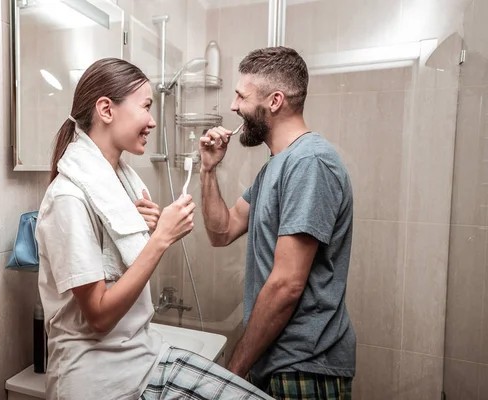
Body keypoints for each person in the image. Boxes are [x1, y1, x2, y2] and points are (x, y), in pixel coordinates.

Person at [35, 57, 273, 400]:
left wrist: (145, 230)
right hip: (98, 378)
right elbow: (99, 317)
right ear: (106, 109)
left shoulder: (120, 185)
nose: (151, 121)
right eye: (146, 107)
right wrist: (160, 239)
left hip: (142, 359)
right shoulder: (68, 198)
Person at [199, 47, 356, 400]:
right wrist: (208, 169)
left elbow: (286, 285)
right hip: (277, 360)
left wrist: (233, 371)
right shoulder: (277, 165)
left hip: (305, 365)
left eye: (241, 95)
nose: (233, 106)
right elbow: (221, 231)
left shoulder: (310, 163)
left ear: (275, 101)